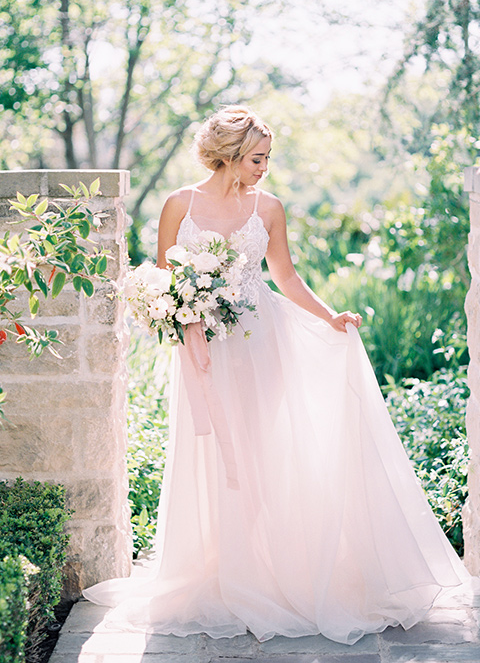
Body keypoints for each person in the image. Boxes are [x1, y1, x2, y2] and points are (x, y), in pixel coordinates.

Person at [83, 105, 467, 645]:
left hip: (261, 345)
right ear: (231, 155)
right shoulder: (179, 204)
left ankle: (264, 575)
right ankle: (219, 574)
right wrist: (179, 314)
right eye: (257, 158)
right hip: (201, 349)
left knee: (260, 454)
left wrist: (329, 315)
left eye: (267, 159)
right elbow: (162, 279)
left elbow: (284, 275)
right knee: (209, 456)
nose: (264, 168)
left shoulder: (270, 208)